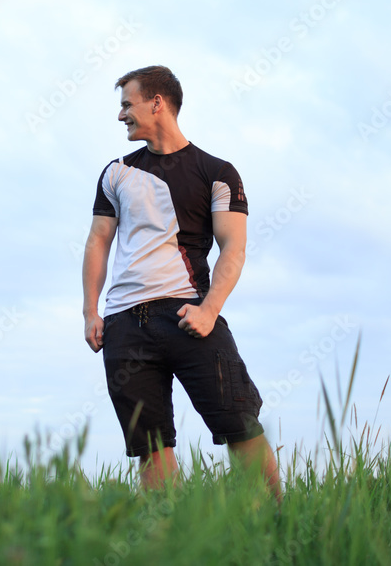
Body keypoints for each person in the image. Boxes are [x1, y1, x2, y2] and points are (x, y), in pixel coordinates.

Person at [82, 65, 281, 502]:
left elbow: (233, 248)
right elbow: (98, 241)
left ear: (157, 103)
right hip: (123, 325)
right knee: (151, 447)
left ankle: (276, 529)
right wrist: (91, 311)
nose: (121, 116)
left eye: (126, 104)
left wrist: (209, 310)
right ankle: (166, 540)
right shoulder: (116, 172)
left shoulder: (217, 171)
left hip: (190, 314)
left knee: (240, 425)